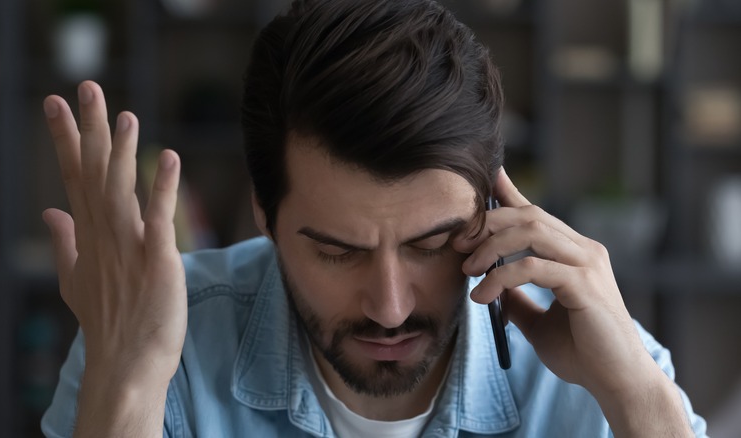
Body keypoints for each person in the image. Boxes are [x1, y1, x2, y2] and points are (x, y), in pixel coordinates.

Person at [40, 0, 706, 436]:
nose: (389, 308)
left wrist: (639, 400)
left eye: (432, 244)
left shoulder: (599, 365)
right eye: (337, 251)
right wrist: (126, 382)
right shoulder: (154, 338)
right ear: (264, 214)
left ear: (494, 209)